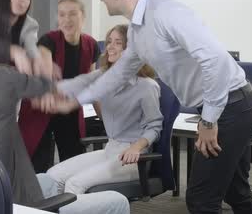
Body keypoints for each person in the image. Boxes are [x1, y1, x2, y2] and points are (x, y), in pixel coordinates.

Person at [35, 0, 252, 214]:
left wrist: (209, 121)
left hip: (232, 106)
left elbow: (216, 61)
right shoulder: (137, 30)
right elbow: (115, 75)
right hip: (230, 106)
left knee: (201, 199)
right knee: (237, 193)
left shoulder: (165, 13)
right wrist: (68, 93)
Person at [0, 19, 130, 214]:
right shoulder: (0, 78)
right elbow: (59, 89)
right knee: (116, 201)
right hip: (18, 203)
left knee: (49, 179)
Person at [45, 24, 163, 194]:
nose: (110, 47)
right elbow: (78, 84)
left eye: (117, 43)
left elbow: (154, 126)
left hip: (133, 157)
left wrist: (136, 148)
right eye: (109, 42)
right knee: (53, 176)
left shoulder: (147, 86)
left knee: (74, 184)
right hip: (110, 149)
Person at [19, 0, 101, 173]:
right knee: (38, 164)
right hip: (42, 106)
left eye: (72, 14)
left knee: (73, 162)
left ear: (83, 17)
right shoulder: (49, 40)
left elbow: (91, 84)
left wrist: (105, 118)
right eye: (62, 14)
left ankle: (71, 197)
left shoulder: (91, 45)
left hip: (69, 109)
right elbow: (45, 72)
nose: (66, 20)